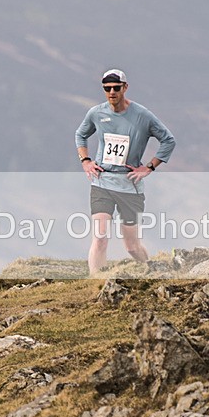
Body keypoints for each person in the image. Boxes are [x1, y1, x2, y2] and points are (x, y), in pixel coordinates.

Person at [75, 68, 176, 275]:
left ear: (125, 88)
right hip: (102, 182)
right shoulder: (96, 113)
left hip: (130, 186)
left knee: (132, 247)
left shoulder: (142, 116)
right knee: (100, 238)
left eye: (116, 88)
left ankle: (152, 272)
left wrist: (149, 167)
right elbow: (80, 135)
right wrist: (86, 161)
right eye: (107, 88)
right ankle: (97, 286)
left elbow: (168, 140)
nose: (111, 92)